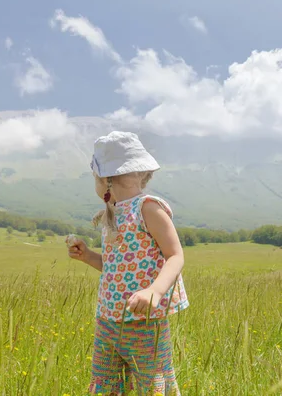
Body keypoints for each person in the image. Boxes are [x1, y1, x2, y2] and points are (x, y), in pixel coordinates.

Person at [67, 131, 189, 395]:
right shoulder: (113, 214)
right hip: (107, 320)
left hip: (143, 323)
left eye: (95, 178)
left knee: (152, 385)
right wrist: (88, 256)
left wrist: (154, 291)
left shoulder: (148, 208)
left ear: (107, 180)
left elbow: (175, 255)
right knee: (104, 386)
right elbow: (117, 269)